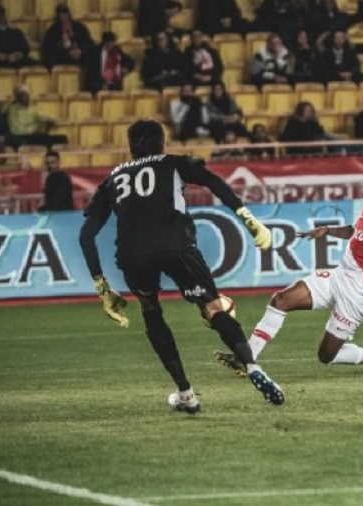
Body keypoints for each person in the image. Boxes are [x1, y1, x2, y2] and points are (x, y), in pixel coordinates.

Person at [78, 119, 284, 413]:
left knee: (151, 310)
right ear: (163, 144)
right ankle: (252, 366)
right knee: (213, 307)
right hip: (176, 245)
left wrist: (102, 287)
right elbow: (214, 182)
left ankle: (186, 394)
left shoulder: (113, 178)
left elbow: (86, 234)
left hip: (133, 254)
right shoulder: (173, 163)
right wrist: (246, 217)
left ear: (130, 147)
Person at [214, 166, 363, 375]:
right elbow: (353, 231)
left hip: (358, 293)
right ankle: (246, 359)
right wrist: (327, 230)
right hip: (337, 277)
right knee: (280, 300)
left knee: (326, 356)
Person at [6, 85, 69, 149]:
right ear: (17, 97)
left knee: (63, 138)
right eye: (22, 95)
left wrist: (52, 121)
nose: (25, 97)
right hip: (22, 137)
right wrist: (35, 128)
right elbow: (16, 130)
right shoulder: (13, 109)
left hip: (34, 135)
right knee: (44, 139)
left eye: (26, 95)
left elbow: (43, 117)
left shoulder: (31, 108)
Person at [41, 4, 94, 70]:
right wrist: (67, 53)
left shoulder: (80, 28)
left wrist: (81, 51)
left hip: (80, 57)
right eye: (61, 14)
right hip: (61, 59)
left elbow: (89, 44)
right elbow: (49, 50)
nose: (64, 17)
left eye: (65, 14)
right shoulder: (52, 31)